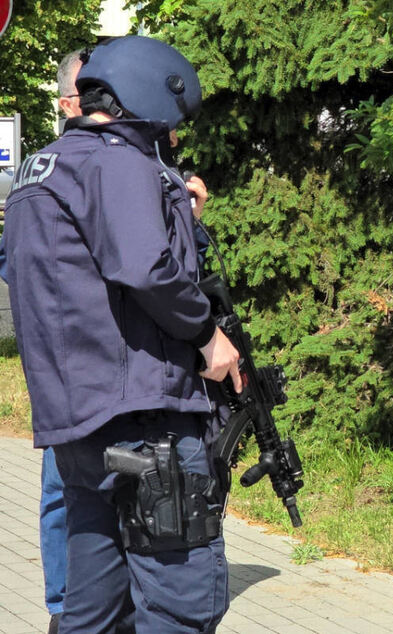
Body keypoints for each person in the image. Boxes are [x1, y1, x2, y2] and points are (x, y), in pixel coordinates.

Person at [1, 35, 241, 632]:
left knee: (93, 609)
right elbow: (145, 267)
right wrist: (209, 336)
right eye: (168, 124)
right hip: (145, 424)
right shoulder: (118, 160)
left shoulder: (39, 172)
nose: (169, 138)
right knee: (180, 605)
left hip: (77, 424)